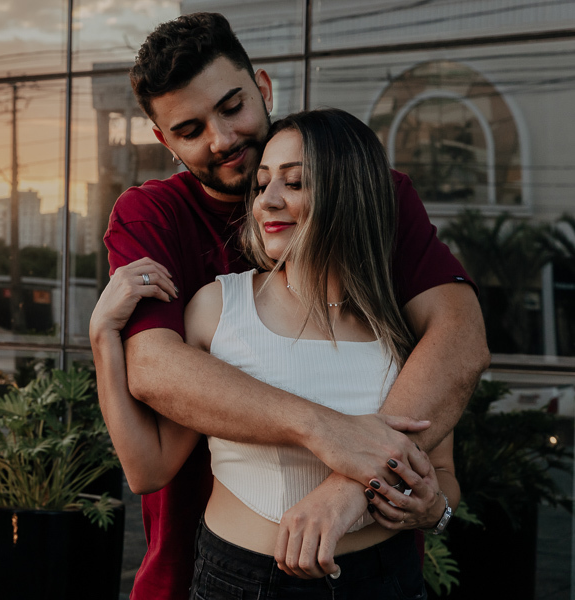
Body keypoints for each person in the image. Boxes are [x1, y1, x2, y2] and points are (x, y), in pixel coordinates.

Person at [89, 12, 488, 599]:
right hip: (217, 562)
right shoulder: (159, 228)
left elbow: (457, 343)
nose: (222, 139)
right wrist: (327, 433)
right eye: (190, 129)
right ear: (164, 141)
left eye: (232, 107)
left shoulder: (379, 207)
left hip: (382, 572)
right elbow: (152, 372)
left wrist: (355, 487)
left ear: (264, 88)